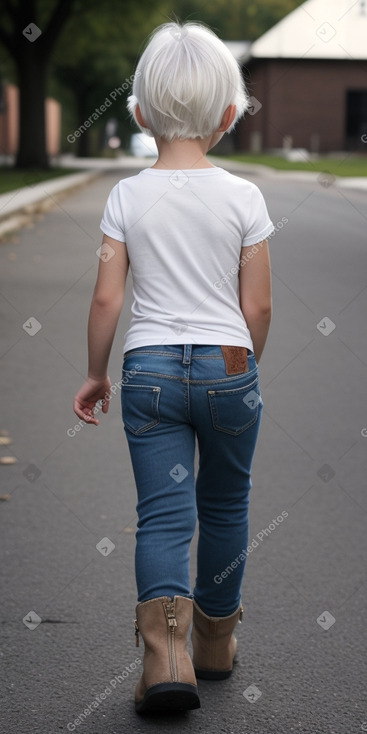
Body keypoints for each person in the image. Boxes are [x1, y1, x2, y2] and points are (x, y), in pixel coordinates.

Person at [73, 20, 274, 714]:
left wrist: (96, 372)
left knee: (162, 517)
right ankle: (216, 643)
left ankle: (166, 656)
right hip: (227, 365)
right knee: (225, 504)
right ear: (227, 116)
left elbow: (107, 296)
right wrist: (242, 370)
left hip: (148, 369)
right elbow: (260, 306)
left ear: (137, 114)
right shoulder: (244, 198)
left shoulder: (126, 197)